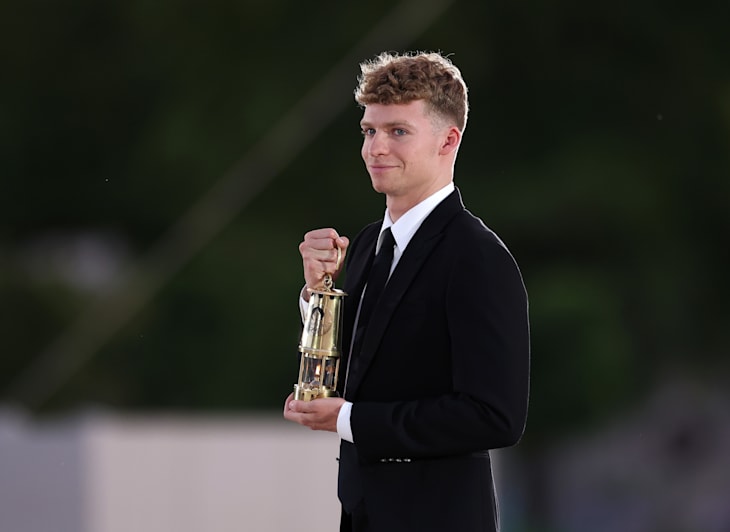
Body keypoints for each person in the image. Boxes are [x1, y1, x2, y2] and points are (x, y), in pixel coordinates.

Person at [284, 50, 530, 532]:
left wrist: (350, 421)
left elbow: (496, 417)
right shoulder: (363, 248)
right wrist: (319, 297)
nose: (376, 148)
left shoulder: (479, 257)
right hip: (362, 516)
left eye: (398, 131)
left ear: (448, 140)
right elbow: (360, 375)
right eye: (369, 131)